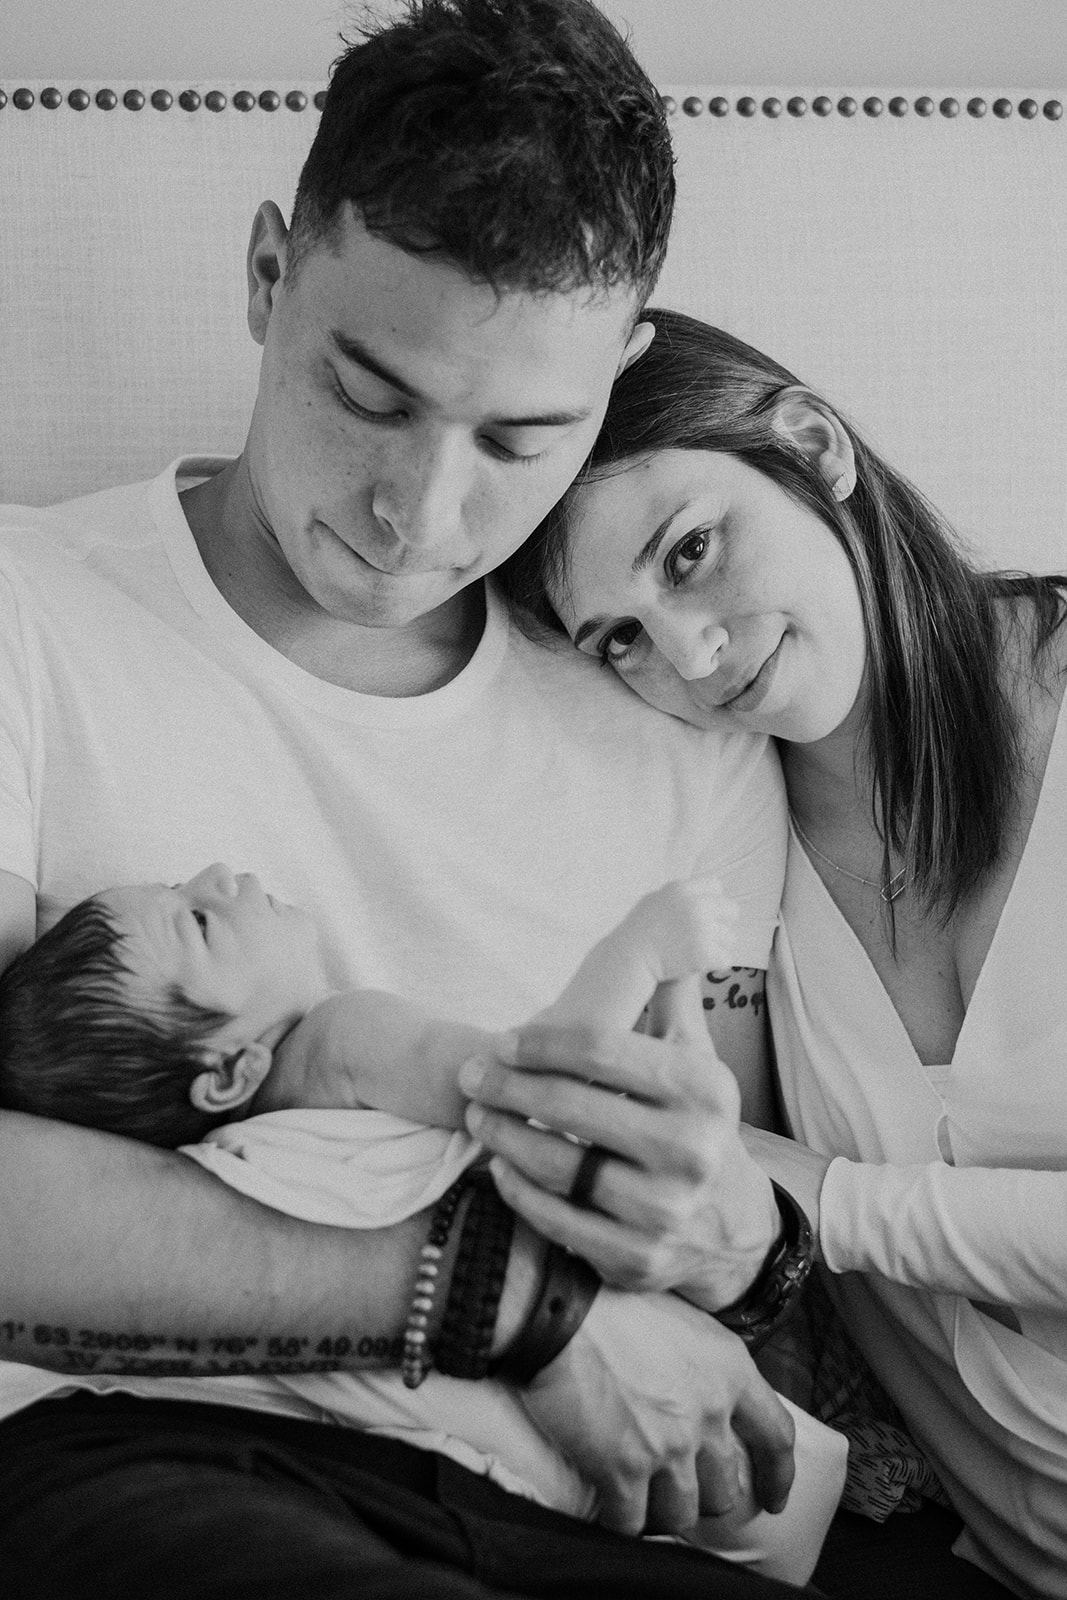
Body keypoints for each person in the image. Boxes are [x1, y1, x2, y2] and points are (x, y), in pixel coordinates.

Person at [0, 5, 813, 1596]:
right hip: (144, 1456)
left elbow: (737, 1214)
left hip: (561, 1504)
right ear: (264, 277)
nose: (417, 516)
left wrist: (729, 1244)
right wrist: (502, 1303)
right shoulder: (24, 612)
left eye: (521, 438)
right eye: (368, 396)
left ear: (620, 378)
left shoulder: (675, 718)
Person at [490, 304, 1067, 1597]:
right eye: (618, 638)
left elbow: (774, 1202)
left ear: (809, 445)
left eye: (689, 551)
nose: (687, 657)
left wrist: (820, 1201)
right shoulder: (722, 847)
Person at [0, 865, 847, 1587]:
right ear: (229, 1073)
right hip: (669, 1430)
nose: (218, 874)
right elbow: (533, 1096)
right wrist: (644, 957)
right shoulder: (343, 1039)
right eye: (197, 918)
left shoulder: (229, 1172)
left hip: (463, 1460)